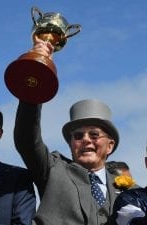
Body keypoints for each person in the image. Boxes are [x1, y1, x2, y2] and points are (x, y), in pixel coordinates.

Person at [13, 44, 123, 225]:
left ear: (110, 145)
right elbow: (26, 139)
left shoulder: (129, 189)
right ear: (71, 143)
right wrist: (38, 68)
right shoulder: (53, 169)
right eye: (78, 136)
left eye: (94, 135)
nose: (86, 140)